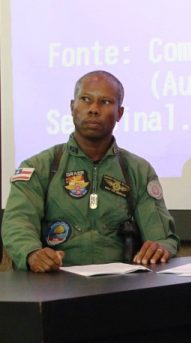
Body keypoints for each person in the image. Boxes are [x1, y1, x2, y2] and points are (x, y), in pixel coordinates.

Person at [2, 70, 179, 272]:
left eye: (105, 102)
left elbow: (161, 238)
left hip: (120, 289)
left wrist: (160, 247)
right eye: (86, 99)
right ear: (72, 107)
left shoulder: (138, 170)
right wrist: (32, 253)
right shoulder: (38, 167)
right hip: (53, 286)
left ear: (119, 113)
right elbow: (17, 222)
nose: (94, 109)